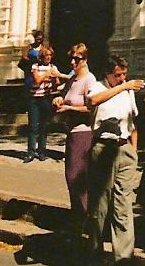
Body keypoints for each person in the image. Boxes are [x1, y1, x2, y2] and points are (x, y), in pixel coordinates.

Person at [85, 56, 145, 264]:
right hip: (103, 149)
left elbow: (133, 122)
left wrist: (133, 150)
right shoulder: (97, 87)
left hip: (124, 148)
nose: (121, 78)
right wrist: (124, 86)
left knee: (123, 206)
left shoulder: (127, 91)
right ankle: (94, 251)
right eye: (117, 75)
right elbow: (92, 101)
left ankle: (123, 257)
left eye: (123, 75)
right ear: (107, 74)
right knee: (100, 206)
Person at [52, 43, 96, 223]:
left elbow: (92, 108)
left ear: (85, 60)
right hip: (71, 132)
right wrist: (59, 99)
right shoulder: (73, 79)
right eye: (71, 58)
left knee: (77, 176)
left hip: (83, 133)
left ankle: (85, 217)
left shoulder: (89, 80)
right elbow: (64, 95)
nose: (72, 62)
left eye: (77, 59)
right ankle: (78, 215)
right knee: (71, 176)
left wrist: (70, 107)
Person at [25, 43, 63, 162]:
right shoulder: (35, 66)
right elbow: (37, 80)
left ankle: (42, 151)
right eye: (47, 55)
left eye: (50, 55)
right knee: (33, 126)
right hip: (34, 99)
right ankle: (31, 152)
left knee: (44, 125)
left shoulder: (53, 67)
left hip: (45, 98)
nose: (49, 57)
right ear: (42, 56)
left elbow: (56, 84)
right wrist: (47, 74)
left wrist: (55, 79)